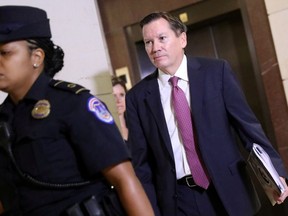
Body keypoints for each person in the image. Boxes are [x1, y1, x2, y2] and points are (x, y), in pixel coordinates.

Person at [125, 11, 288, 216]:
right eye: (148, 42)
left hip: (227, 188)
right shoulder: (137, 97)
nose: (155, 47)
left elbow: (247, 127)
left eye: (161, 38)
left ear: (182, 38)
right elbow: (142, 164)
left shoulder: (216, 72)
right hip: (178, 200)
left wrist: (275, 172)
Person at [0, 5, 154, 216]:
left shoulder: (72, 104)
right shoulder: (4, 118)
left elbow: (124, 179)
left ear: (36, 56)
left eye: (5, 53)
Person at [111, 76, 129, 141]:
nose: (118, 100)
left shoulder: (135, 124)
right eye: (114, 96)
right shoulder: (107, 129)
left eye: (121, 95)